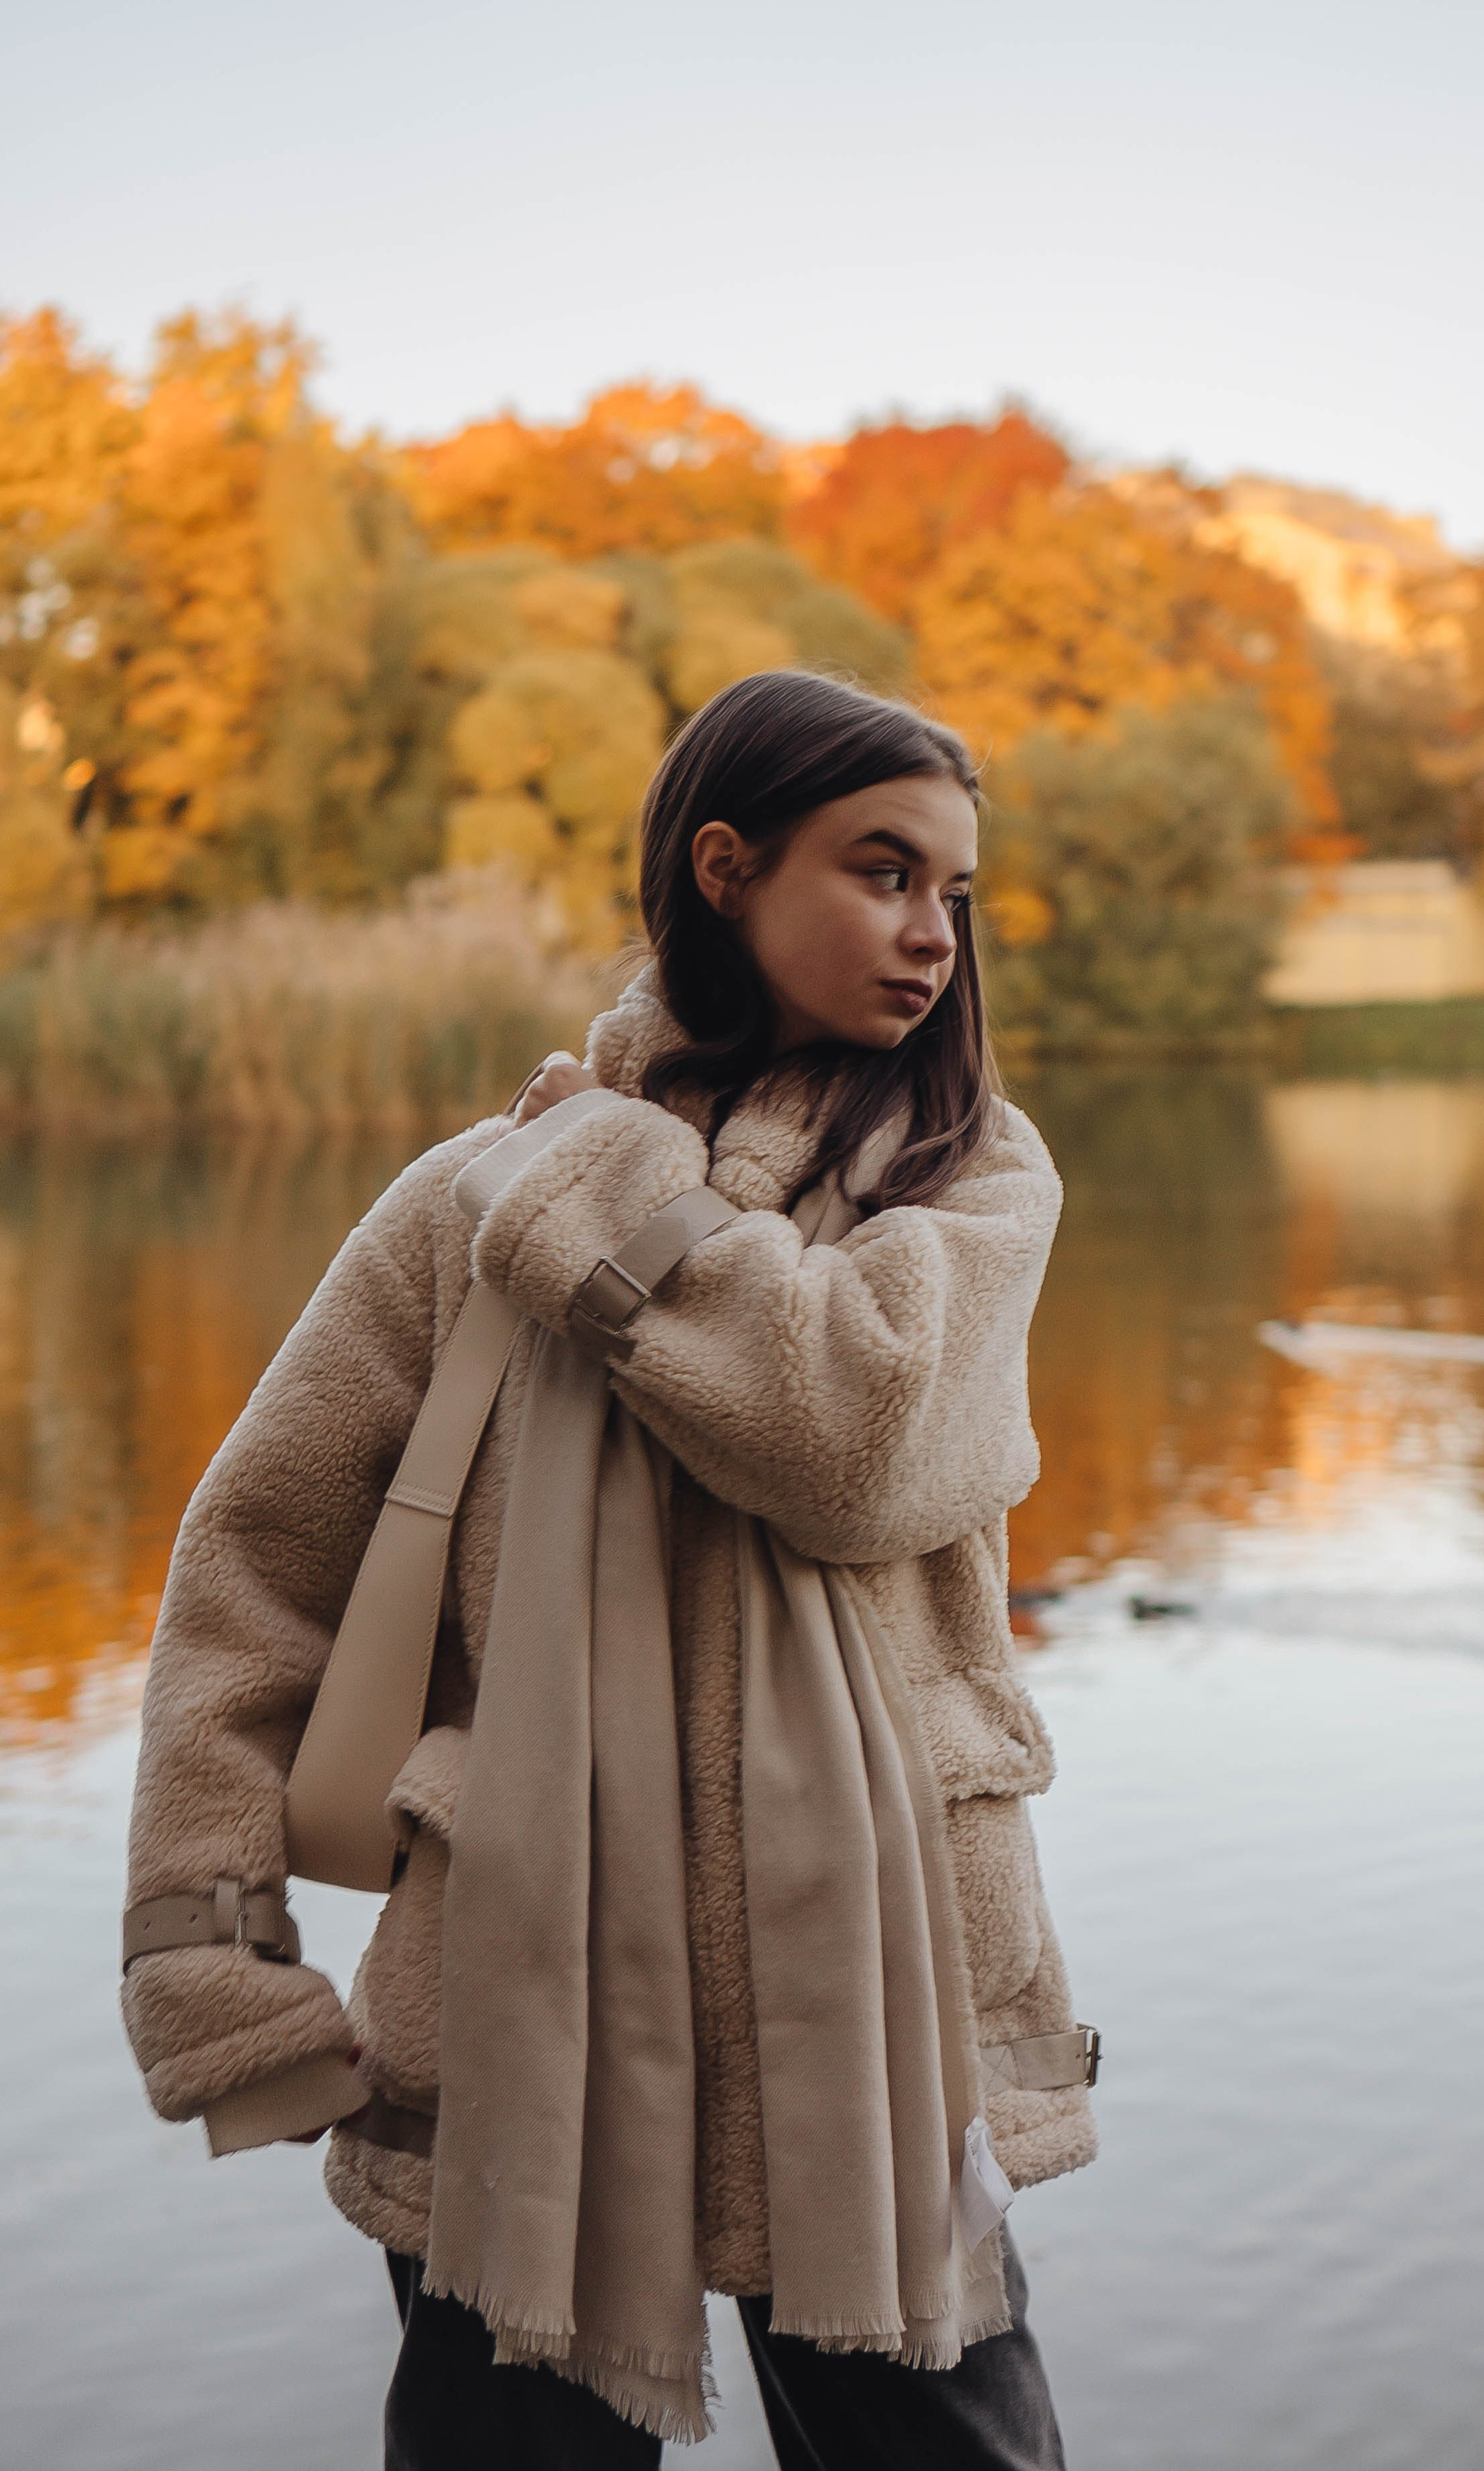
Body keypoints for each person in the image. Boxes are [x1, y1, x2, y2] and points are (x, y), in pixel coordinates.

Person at [121, 670, 1098, 2468]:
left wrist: (601, 1181)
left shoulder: (970, 1187)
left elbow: (852, 1439)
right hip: (523, 2015)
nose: (931, 935)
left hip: (874, 2021)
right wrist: (219, 1966)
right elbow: (254, 1572)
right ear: (725, 868)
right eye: (883, 871)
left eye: (957, 893)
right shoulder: (466, 1208)